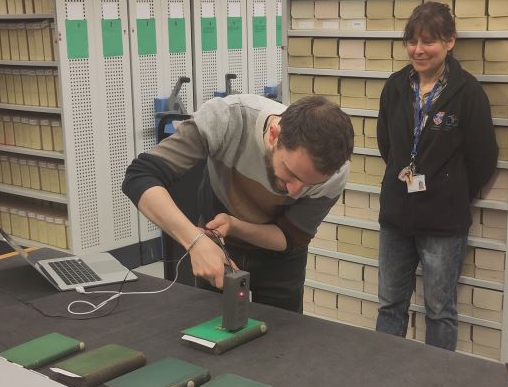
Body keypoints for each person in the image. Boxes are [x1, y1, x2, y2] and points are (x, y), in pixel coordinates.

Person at [121, 94, 353, 313]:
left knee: (283, 344)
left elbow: (290, 237)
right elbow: (140, 176)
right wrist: (195, 241)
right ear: (274, 135)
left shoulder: (335, 173)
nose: (294, 192)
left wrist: (235, 225)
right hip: (215, 246)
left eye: (308, 185)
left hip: (280, 263)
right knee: (209, 333)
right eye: (291, 174)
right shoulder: (227, 120)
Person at [375, 1, 499, 350]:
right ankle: (382, 376)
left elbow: (484, 156)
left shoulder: (468, 92)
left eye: (428, 41)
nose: (418, 50)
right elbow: (387, 144)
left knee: (440, 311)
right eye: (411, 41)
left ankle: (437, 386)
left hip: (444, 220)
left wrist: (451, 189)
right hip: (396, 215)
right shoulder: (396, 86)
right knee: (389, 306)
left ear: (450, 42)